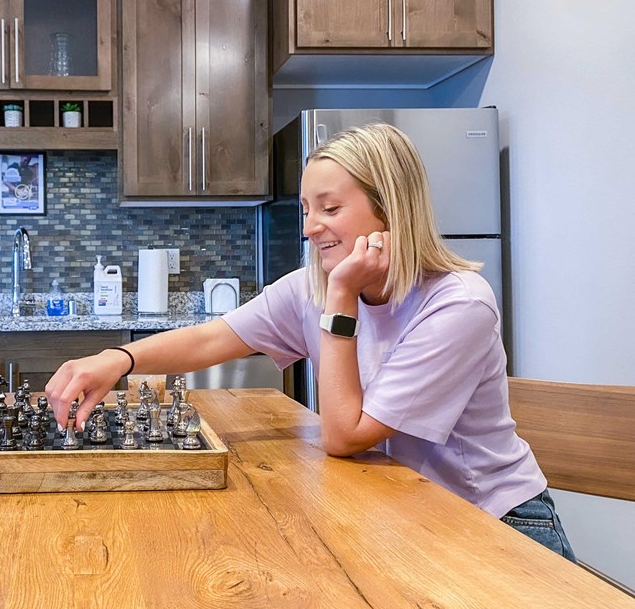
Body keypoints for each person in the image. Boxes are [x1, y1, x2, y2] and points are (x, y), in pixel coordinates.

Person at [45, 123, 576, 561]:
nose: (308, 227)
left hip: (494, 524)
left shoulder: (458, 304)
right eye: (305, 209)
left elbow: (345, 436)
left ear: (389, 211)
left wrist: (341, 298)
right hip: (399, 508)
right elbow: (213, 339)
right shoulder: (311, 286)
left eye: (329, 208)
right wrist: (117, 359)